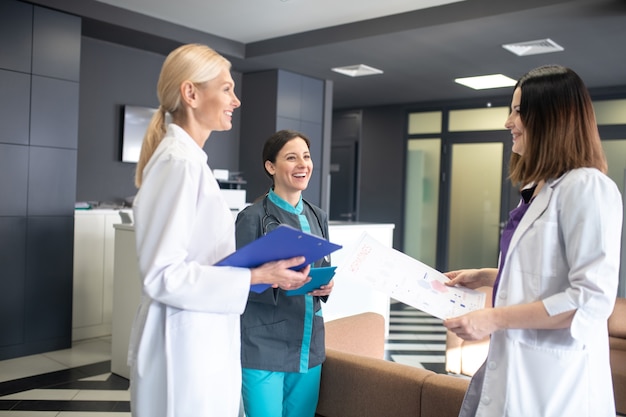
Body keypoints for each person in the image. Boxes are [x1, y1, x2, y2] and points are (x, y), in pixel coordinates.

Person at [128, 44, 311, 417]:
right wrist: (255, 275)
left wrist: (258, 274)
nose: (236, 100)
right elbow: (163, 275)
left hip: (200, 337)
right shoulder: (178, 165)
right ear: (191, 93)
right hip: (182, 346)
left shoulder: (190, 163)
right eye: (226, 88)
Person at [443, 65, 623, 417]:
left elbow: (589, 299)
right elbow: (546, 273)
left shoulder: (587, 187)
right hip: (517, 368)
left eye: (518, 111)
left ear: (552, 117)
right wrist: (487, 275)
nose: (508, 122)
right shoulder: (539, 189)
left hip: (556, 384)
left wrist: (494, 318)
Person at [235, 129, 334, 417]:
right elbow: (236, 284)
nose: (303, 164)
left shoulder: (318, 216)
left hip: (307, 342)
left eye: (306, 156)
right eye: (292, 158)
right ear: (271, 166)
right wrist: (274, 280)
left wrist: (325, 286)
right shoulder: (252, 218)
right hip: (263, 343)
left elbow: (320, 267)